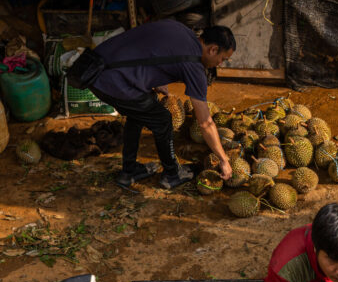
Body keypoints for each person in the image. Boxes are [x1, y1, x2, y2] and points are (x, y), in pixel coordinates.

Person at [89, 22, 236, 190]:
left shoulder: (180, 29)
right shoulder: (194, 65)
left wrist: (155, 77)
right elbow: (205, 123)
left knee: (139, 112)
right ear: (213, 49)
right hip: (113, 80)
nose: (221, 64)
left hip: (95, 66)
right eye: (222, 59)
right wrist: (223, 159)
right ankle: (172, 175)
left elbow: (149, 46)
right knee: (163, 119)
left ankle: (128, 172)